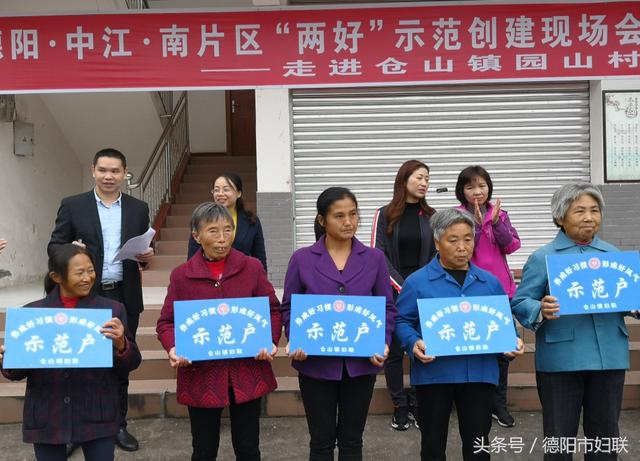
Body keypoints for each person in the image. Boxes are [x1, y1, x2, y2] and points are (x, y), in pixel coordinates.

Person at [511, 183, 633, 461]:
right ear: (560, 216)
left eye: (594, 210)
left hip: (609, 357)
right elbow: (520, 302)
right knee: (559, 440)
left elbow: (626, 297)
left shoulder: (613, 255)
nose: (589, 217)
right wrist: (541, 308)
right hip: (561, 360)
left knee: (605, 439)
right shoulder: (543, 257)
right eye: (580, 211)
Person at [395, 208, 524, 461]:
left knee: (478, 445)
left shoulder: (489, 282)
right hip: (434, 375)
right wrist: (413, 342)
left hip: (479, 374)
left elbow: (502, 322)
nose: (462, 246)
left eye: (468, 238)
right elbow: (401, 320)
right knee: (433, 445)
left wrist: (511, 342)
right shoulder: (417, 282)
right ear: (437, 242)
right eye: (453, 240)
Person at [157, 202, 281, 461]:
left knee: (248, 447)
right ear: (196, 235)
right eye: (213, 231)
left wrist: (270, 340)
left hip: (246, 369)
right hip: (202, 374)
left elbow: (272, 310)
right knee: (203, 449)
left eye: (228, 230)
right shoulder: (182, 276)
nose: (222, 239)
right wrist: (173, 348)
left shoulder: (252, 267)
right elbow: (166, 322)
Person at [48, 148, 153, 452]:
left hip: (123, 294)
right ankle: (73, 430)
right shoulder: (73, 205)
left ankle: (117, 425)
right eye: (103, 170)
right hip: (84, 295)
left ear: (125, 173)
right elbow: (54, 247)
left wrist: (146, 257)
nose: (109, 177)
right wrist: (70, 249)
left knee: (120, 361)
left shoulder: (138, 208)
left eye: (115, 171)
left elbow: (142, 251)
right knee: (76, 362)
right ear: (93, 170)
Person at [281, 186, 396, 461]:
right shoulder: (302, 259)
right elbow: (289, 307)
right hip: (316, 364)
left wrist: (384, 341)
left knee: (352, 441)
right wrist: (296, 339)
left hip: (361, 364)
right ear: (322, 220)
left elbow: (387, 307)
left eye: (354, 215)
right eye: (339, 216)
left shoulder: (375, 259)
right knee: (320, 442)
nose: (349, 222)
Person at [0, 244, 141, 461]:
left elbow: (132, 363)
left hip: (97, 413)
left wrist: (122, 344)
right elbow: (15, 372)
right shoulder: (31, 315)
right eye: (79, 272)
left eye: (91, 270)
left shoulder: (111, 311)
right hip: (48, 415)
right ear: (57, 276)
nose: (88, 277)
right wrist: (6, 358)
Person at [371, 159, 436, 430]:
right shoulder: (384, 213)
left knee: (423, 348)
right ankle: (399, 404)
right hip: (393, 291)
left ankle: (421, 404)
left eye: (427, 179)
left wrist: (423, 285)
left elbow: (438, 253)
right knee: (395, 352)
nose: (424, 183)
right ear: (404, 180)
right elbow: (378, 254)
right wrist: (404, 286)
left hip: (426, 291)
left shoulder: (432, 215)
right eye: (419, 177)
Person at [455, 165, 521, 428]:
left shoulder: (500, 213)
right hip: (468, 290)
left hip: (500, 290)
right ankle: (472, 401)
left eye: (481, 186)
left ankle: (498, 403)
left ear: (489, 187)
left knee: (503, 349)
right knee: (473, 344)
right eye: (470, 187)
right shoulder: (456, 216)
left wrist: (498, 225)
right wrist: (479, 228)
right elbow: (461, 252)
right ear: (462, 191)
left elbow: (512, 245)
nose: (476, 192)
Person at [187, 172, 267, 270]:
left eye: (226, 189)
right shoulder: (202, 219)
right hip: (210, 277)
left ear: (239, 193)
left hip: (243, 277)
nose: (220, 194)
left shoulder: (251, 220)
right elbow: (192, 256)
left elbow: (260, 256)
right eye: (216, 190)